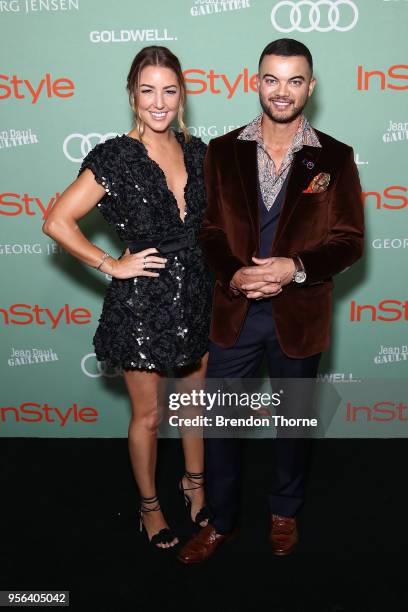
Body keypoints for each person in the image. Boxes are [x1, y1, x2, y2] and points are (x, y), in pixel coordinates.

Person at [178, 38, 364, 563]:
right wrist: (234, 275)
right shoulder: (222, 150)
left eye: (294, 80)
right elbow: (209, 228)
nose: (282, 91)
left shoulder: (335, 157)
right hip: (234, 313)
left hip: (298, 317)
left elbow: (349, 239)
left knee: (293, 425)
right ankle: (222, 519)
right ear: (256, 81)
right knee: (221, 428)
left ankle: (285, 511)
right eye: (272, 79)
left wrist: (295, 268)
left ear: (311, 86)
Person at [42, 46, 212, 549]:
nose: (159, 102)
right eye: (147, 91)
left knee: (193, 407)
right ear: (132, 96)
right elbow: (56, 221)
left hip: (197, 294)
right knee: (149, 416)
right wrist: (112, 264)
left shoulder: (198, 151)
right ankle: (150, 506)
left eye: (169, 90)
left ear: (182, 95)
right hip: (143, 304)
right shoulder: (117, 155)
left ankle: (195, 486)